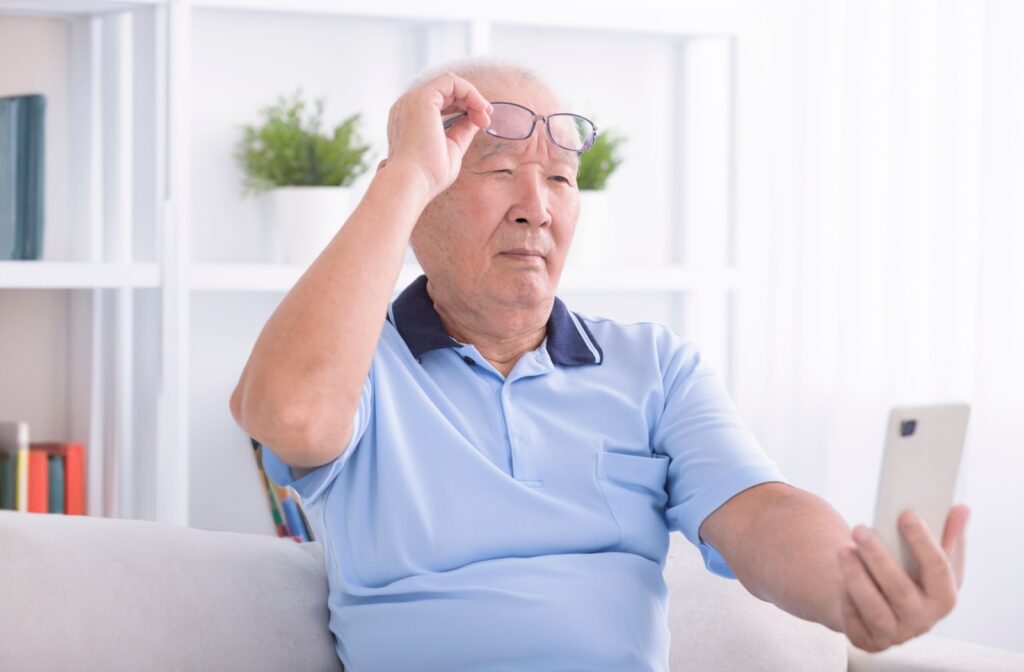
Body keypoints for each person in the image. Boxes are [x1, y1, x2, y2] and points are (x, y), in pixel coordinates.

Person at [230, 58, 970, 671]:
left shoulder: (653, 366)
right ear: (421, 199)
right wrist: (405, 172)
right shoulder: (360, 369)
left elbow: (762, 512)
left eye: (559, 179)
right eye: (499, 170)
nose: (537, 208)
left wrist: (851, 584)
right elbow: (290, 416)